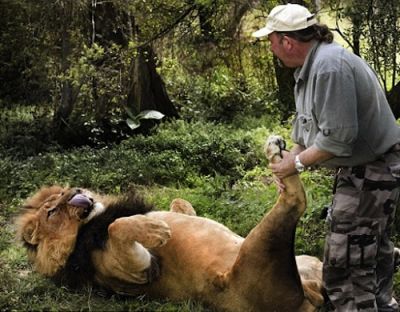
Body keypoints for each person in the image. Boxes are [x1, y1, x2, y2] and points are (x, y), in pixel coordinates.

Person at [252, 3, 400, 312]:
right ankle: (382, 303)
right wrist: (286, 169)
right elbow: (303, 137)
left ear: (287, 42)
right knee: (369, 244)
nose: (271, 48)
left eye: (272, 41)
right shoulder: (309, 70)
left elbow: (338, 140)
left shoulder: (329, 68)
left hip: (373, 168)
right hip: (361, 168)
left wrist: (295, 164)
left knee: (345, 260)